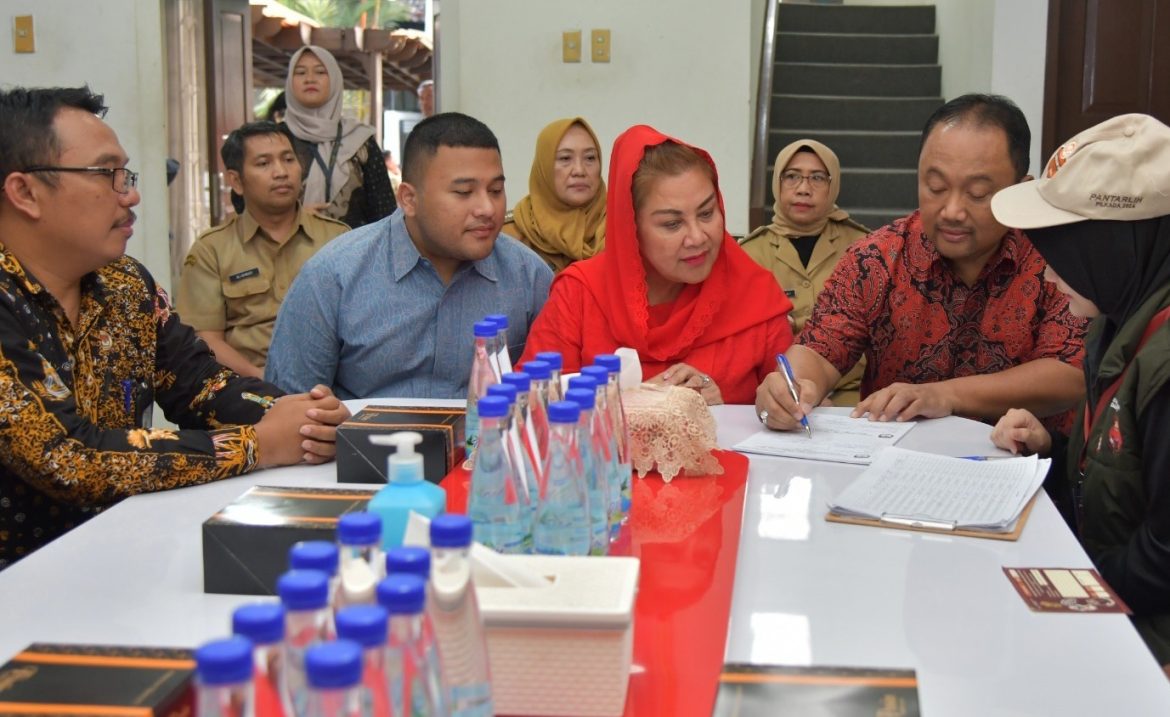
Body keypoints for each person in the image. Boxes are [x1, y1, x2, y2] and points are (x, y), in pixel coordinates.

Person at [0, 87, 349, 569]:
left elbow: (200, 385)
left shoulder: (124, 284)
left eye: (126, 175)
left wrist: (300, 416)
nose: (131, 194)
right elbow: (67, 456)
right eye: (106, 174)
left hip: (125, 552)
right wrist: (257, 445)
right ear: (25, 193)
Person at [756, 94, 1087, 429]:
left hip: (1024, 455)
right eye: (936, 187)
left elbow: (1069, 371)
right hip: (894, 457)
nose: (952, 211)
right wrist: (790, 387)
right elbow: (819, 347)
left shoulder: (1055, 259)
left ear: (1020, 189)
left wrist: (944, 395)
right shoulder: (875, 259)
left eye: (977, 194)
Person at [988, 114, 1170, 667]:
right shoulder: (1116, 325)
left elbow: (1162, 556)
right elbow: (1127, 480)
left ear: (1112, 247)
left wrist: (1070, 591)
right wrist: (1053, 450)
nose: (1048, 276)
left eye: (1063, 255)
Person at [266, 112, 553, 399]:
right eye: (464, 192)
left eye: (496, 190)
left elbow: (548, 394)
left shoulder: (528, 276)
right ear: (409, 199)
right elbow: (289, 407)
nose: (487, 208)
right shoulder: (333, 277)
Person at [518, 125, 794, 405]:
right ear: (631, 228)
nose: (698, 237)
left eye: (707, 213)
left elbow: (792, 404)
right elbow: (529, 403)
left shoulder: (755, 295)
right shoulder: (580, 294)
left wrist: (755, 409)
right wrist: (634, 403)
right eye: (672, 224)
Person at [177, 122, 349, 378]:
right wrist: (264, 382)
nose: (281, 172)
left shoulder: (338, 239)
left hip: (329, 386)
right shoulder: (211, 250)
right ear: (236, 181)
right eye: (263, 163)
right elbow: (205, 338)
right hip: (246, 387)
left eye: (288, 159)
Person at [739, 139, 869, 405]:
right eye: (792, 176)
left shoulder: (863, 247)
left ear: (833, 185)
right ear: (777, 182)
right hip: (777, 394)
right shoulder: (749, 253)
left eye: (817, 178)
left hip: (852, 395)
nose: (803, 189)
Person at [283, 45, 395, 229]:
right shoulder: (274, 139)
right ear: (289, 82)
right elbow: (247, 205)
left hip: (356, 245)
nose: (310, 79)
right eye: (301, 72)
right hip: (287, 245)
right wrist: (292, 216)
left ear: (335, 79)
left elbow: (384, 212)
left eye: (320, 72)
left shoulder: (361, 141)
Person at [501, 117, 607, 272]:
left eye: (590, 158)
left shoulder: (622, 226)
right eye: (565, 158)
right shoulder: (508, 237)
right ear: (544, 167)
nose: (579, 170)